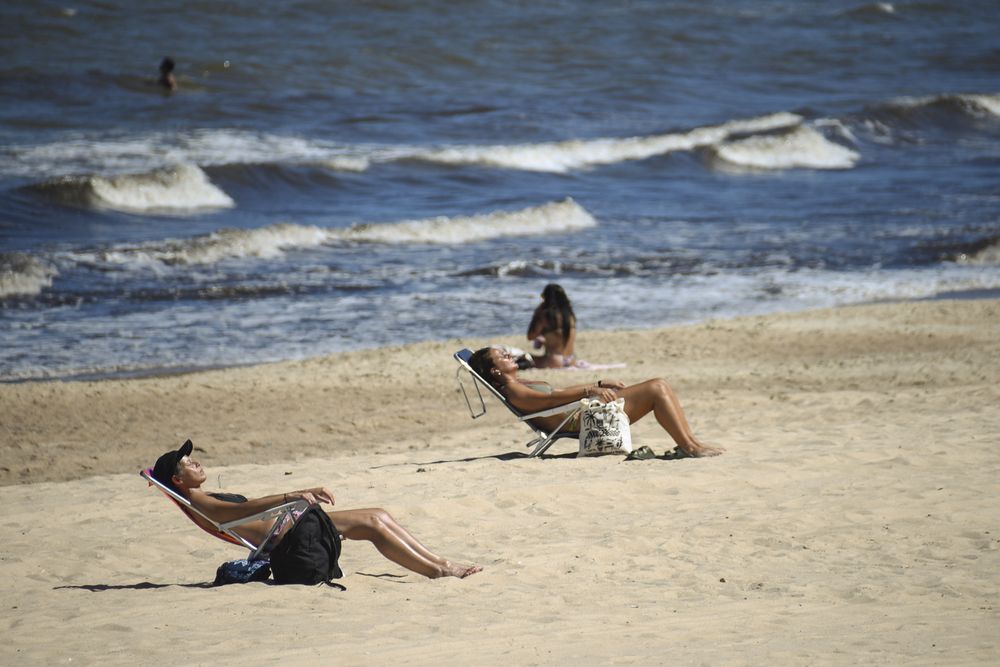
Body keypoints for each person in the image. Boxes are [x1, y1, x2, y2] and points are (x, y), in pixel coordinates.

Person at [152, 440, 482, 579]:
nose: (196, 462)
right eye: (188, 463)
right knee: (372, 521)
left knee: (378, 515)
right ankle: (439, 570)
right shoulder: (200, 501)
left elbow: (249, 510)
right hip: (288, 537)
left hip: (288, 526)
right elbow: (247, 509)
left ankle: (441, 564)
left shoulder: (200, 496)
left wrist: (296, 496)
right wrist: (292, 495)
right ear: (178, 480)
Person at [469, 347, 723, 457]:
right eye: (501, 356)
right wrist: (591, 390)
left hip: (580, 412)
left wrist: (598, 384)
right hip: (585, 420)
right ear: (495, 371)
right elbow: (553, 398)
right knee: (657, 387)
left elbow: (558, 391)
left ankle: (691, 443)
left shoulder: (520, 383)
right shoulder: (515, 391)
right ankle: (689, 446)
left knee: (661, 384)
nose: (508, 354)